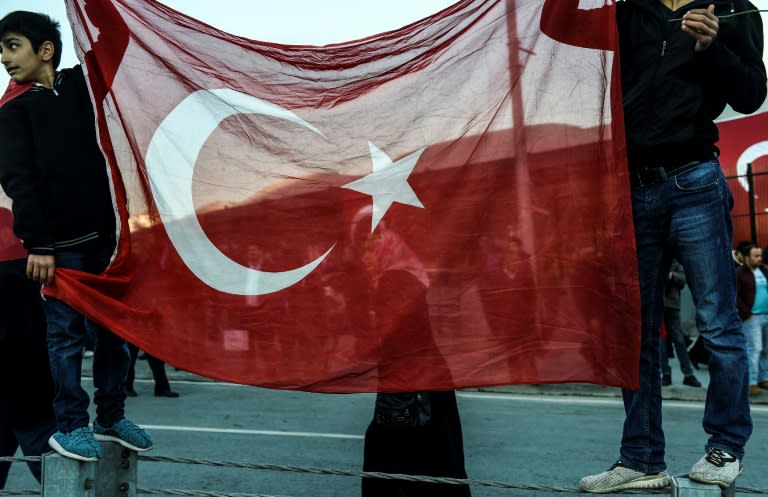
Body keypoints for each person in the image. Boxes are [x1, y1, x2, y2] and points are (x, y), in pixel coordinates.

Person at [540, 0, 765, 492]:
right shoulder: (626, 11)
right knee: (636, 330)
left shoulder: (733, 9)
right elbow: (552, 26)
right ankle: (640, 458)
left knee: (718, 322)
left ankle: (725, 448)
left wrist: (714, 46)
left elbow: (751, 95)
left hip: (695, 182)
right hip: (630, 187)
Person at [0, 11, 153, 462]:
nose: (4, 58)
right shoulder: (13, 111)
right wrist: (39, 244)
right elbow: (18, 181)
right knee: (65, 336)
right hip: (57, 247)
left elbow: (117, 36)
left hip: (104, 238)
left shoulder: (83, 86)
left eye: (12, 46)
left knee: (113, 330)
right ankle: (71, 425)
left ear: (45, 50)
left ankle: (112, 414)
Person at [0, 208, 56, 489]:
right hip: (34, 396)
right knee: (57, 479)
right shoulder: (32, 275)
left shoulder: (12, 280)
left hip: (23, 396)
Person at [660, 260, 700, 387]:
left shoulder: (676, 263)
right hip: (658, 305)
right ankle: (666, 374)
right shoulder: (657, 259)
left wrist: (671, 275)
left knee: (679, 340)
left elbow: (683, 281)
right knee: (661, 341)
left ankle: (688, 374)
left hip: (672, 305)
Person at [735, 243, 768, 397]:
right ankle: (751, 382)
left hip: (766, 315)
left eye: (760, 255)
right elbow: (736, 296)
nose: (759, 259)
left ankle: (764, 378)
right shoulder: (740, 273)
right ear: (747, 258)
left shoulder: (763, 271)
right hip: (752, 318)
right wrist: (746, 313)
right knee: (755, 349)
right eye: (756, 256)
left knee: (766, 350)